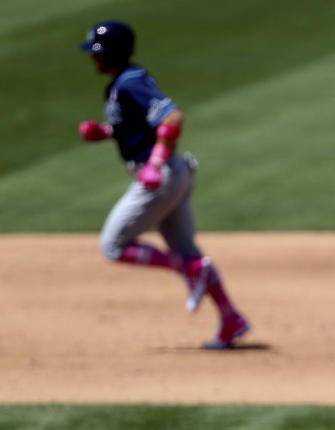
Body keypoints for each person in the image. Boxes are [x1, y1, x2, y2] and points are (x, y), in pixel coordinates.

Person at [77, 20, 249, 349]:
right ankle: (230, 318)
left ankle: (187, 268)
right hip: (174, 173)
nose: (93, 59)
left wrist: (154, 165)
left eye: (97, 53)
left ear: (113, 52)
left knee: (113, 246)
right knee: (190, 252)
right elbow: (138, 128)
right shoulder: (121, 84)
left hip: (162, 176)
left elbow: (171, 119)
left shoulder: (130, 82)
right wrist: (106, 132)